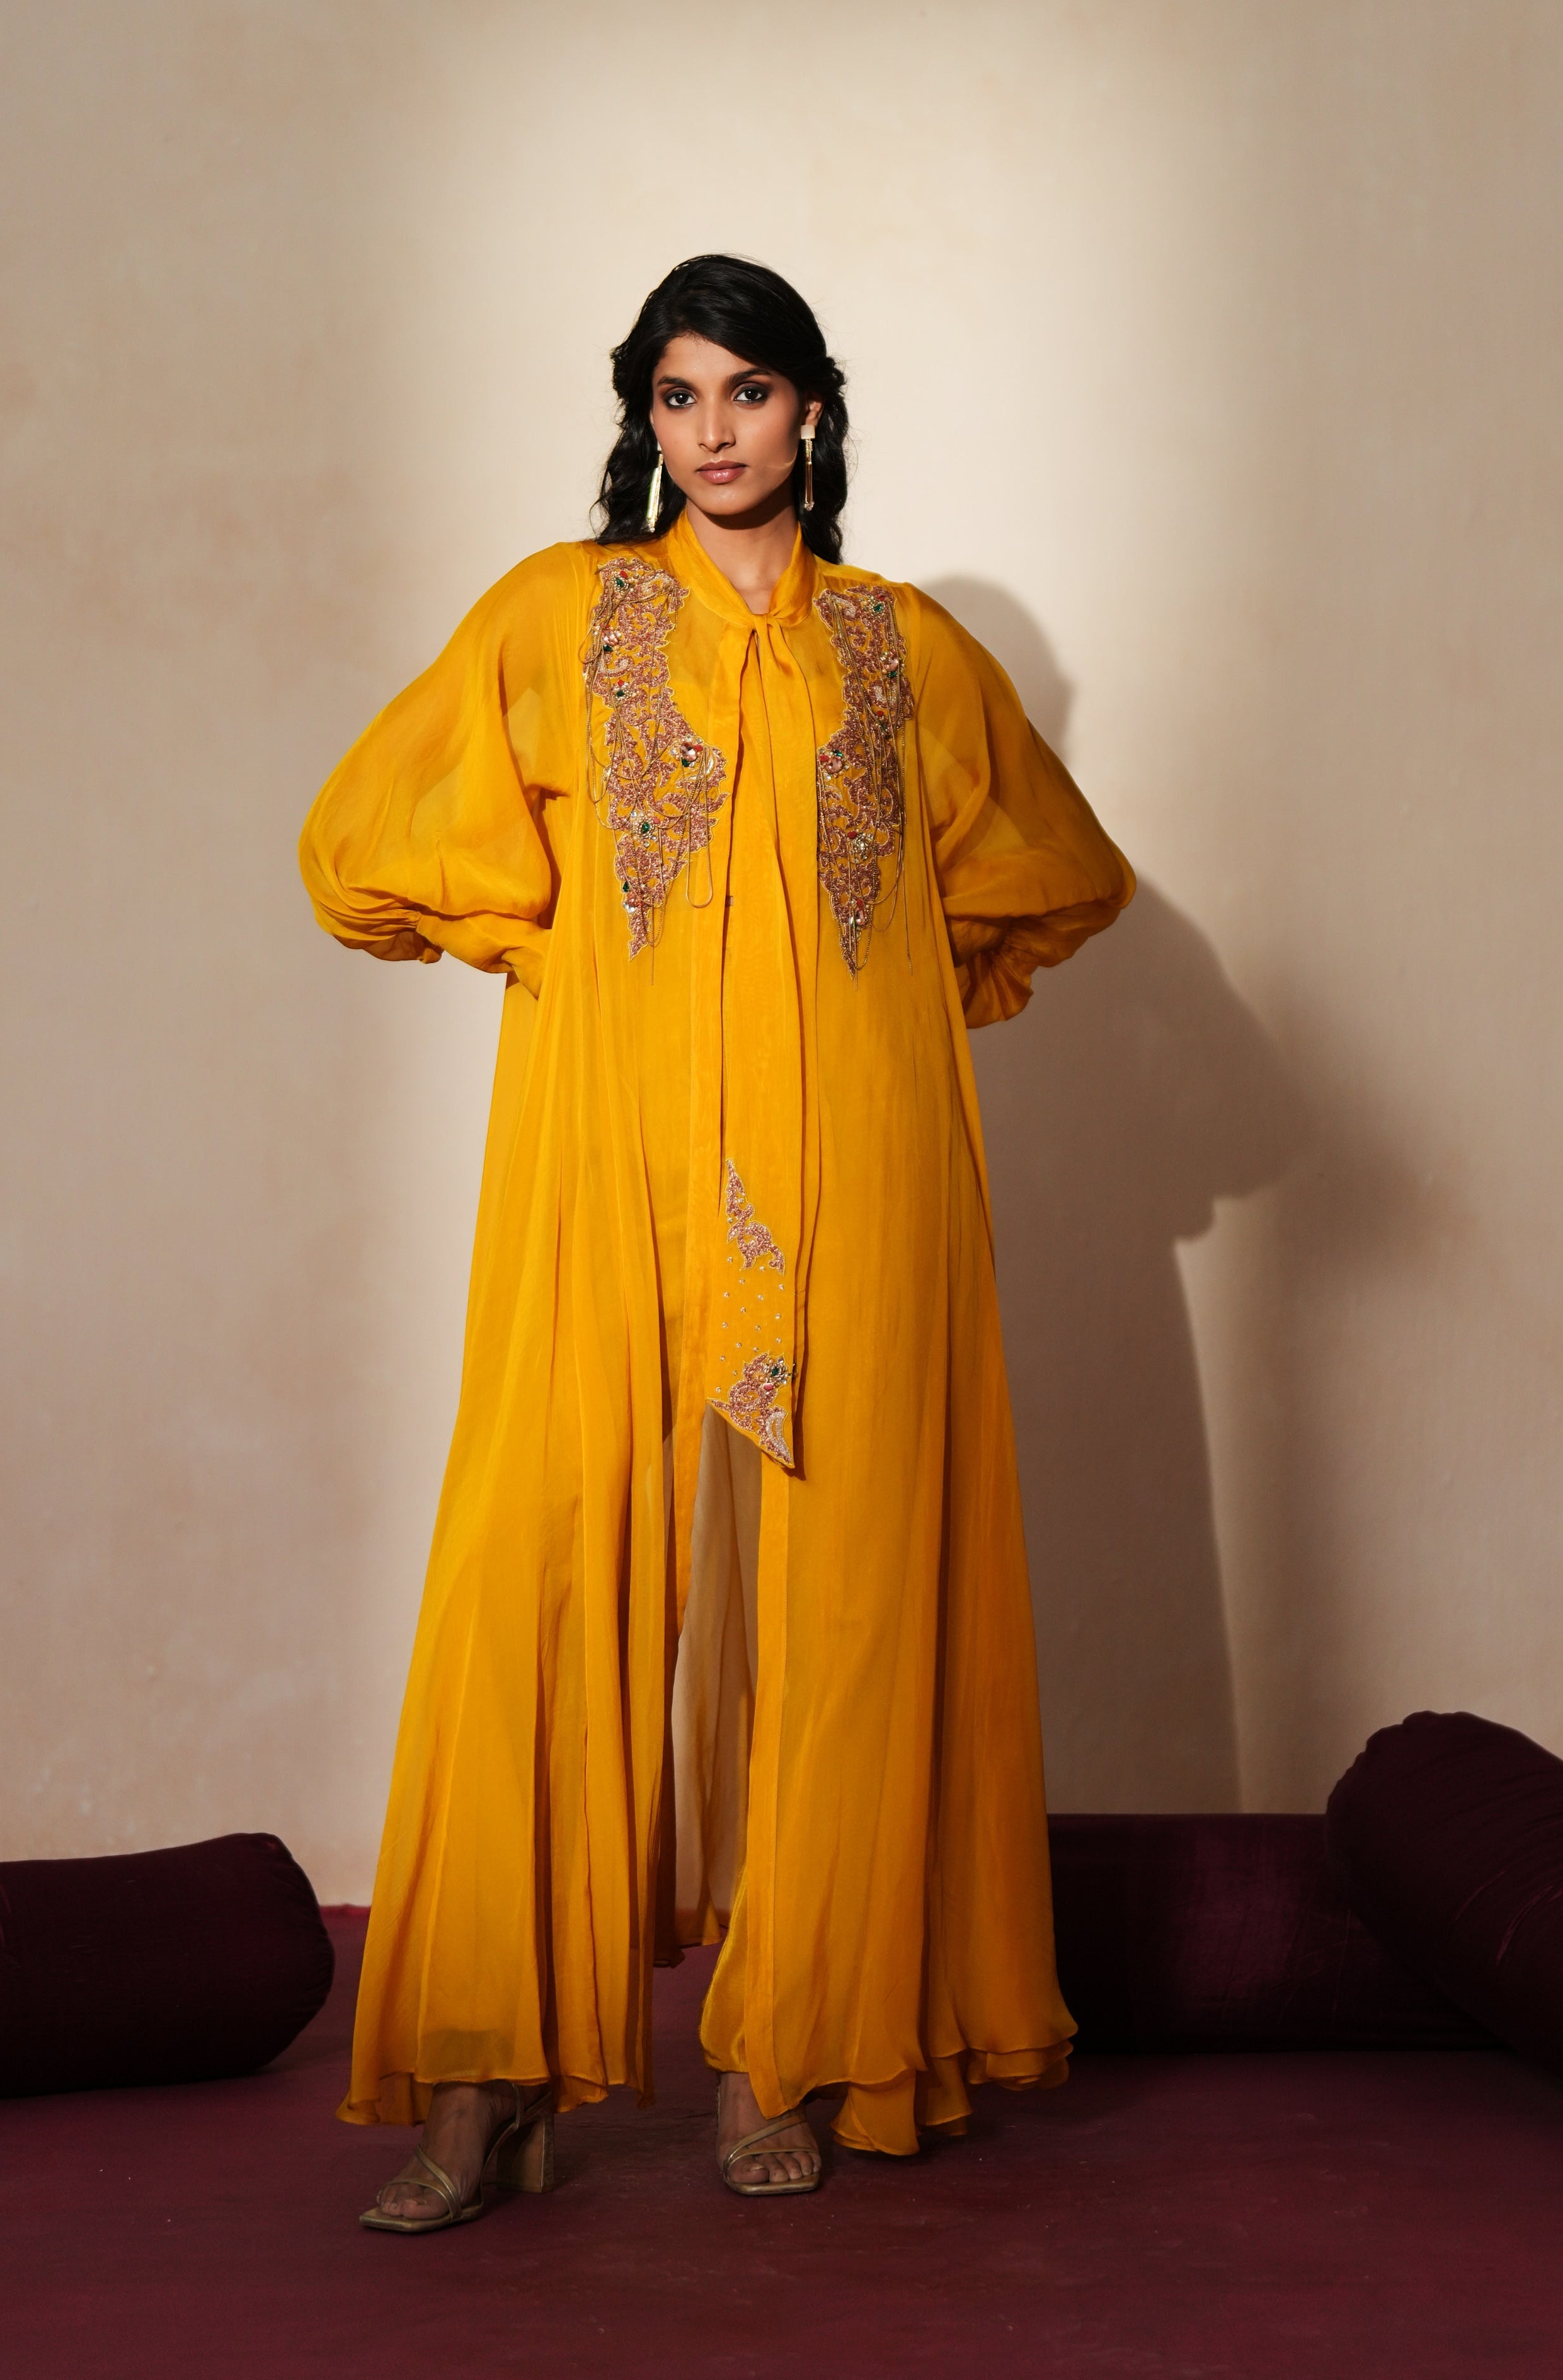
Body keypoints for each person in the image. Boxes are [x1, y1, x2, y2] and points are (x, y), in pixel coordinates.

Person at [299, 254, 1133, 2226]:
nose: (714, 430)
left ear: (811, 412)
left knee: (845, 1605)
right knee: (545, 1561)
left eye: (747, 392)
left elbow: (1049, 876)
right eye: (678, 397)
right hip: (614, 1170)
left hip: (864, 1172)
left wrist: (885, 1020)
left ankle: (799, 2045)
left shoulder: (903, 650)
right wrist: (561, 955)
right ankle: (486, 2082)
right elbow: (365, 848)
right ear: (642, 421)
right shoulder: (559, 614)